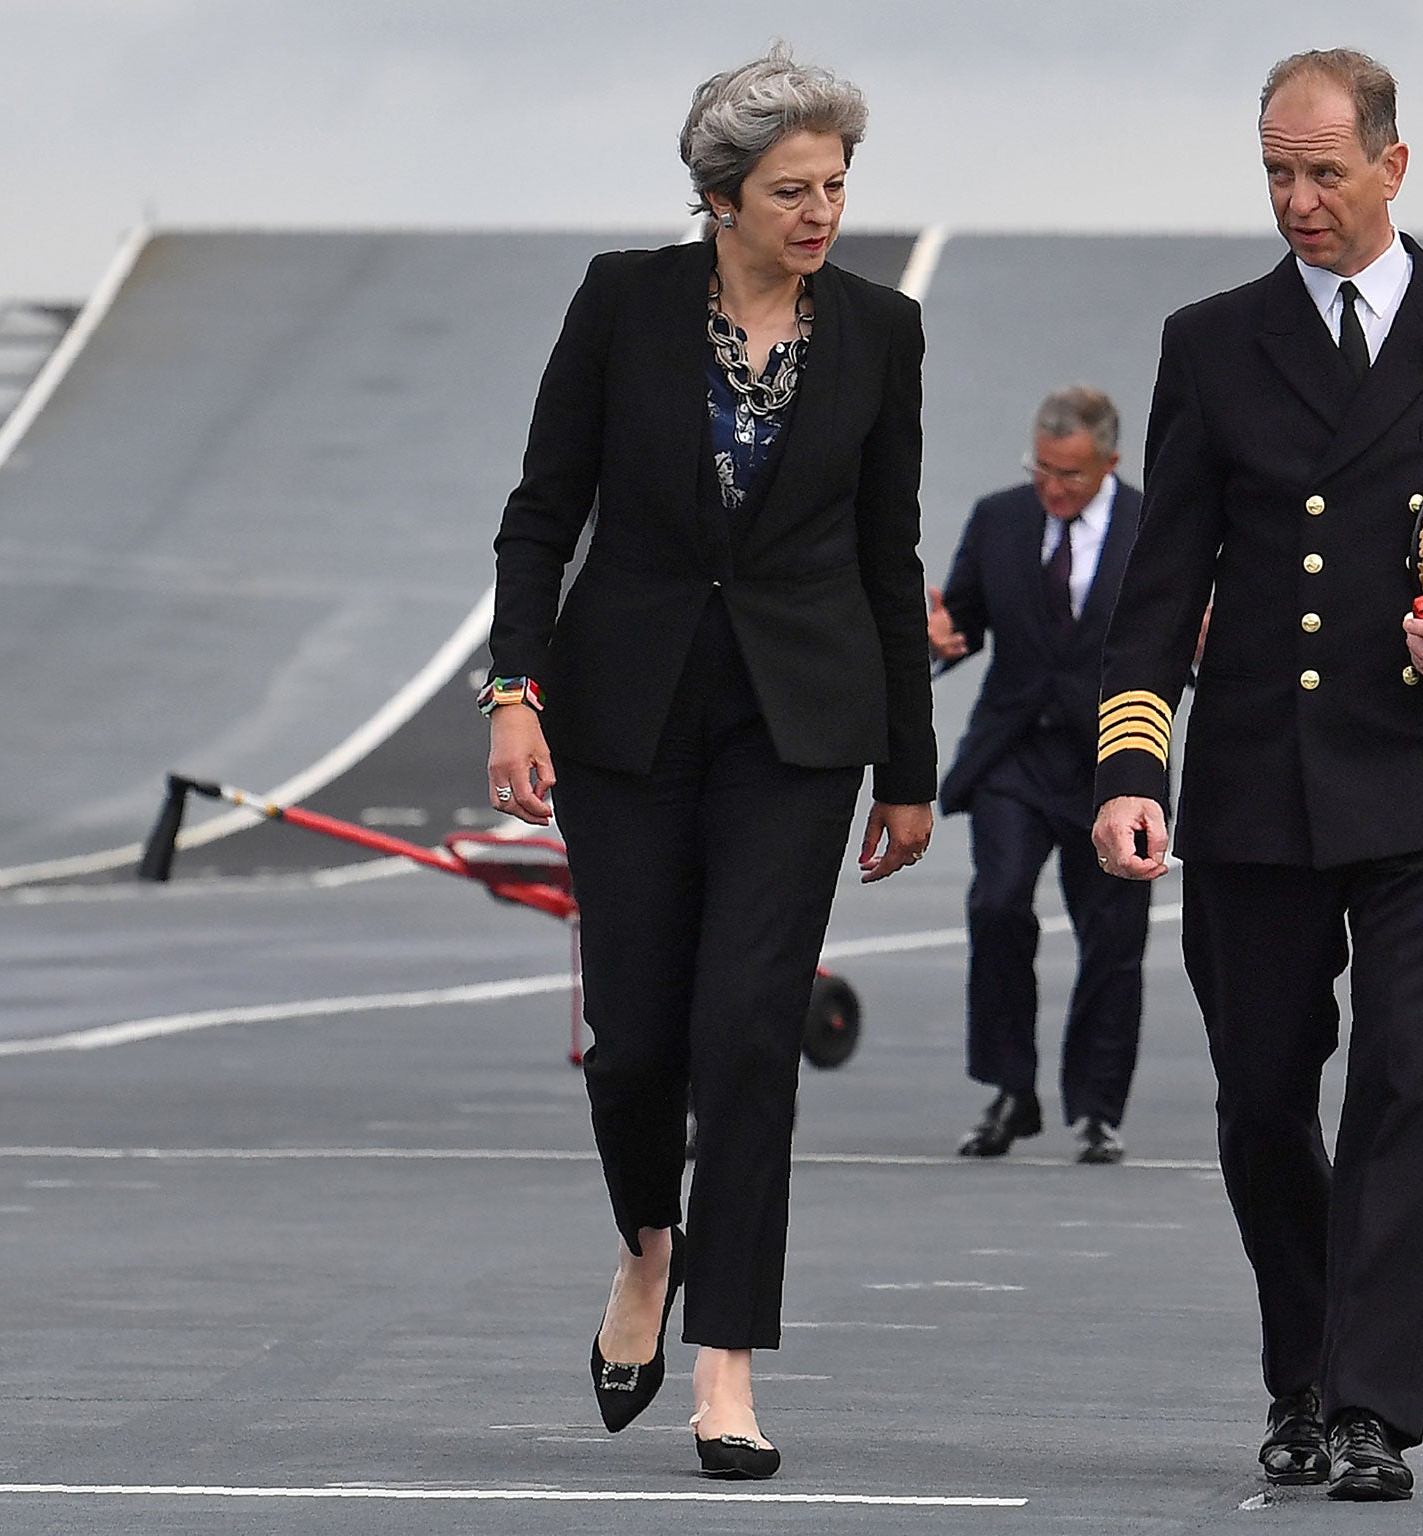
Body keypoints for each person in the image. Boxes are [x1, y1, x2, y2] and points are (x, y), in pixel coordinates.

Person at [1092, 49, 1423, 1502]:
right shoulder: (1212, 342)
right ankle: (1304, 1367)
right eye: (1276, 170)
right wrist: (1133, 762)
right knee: (1263, 1098)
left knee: (1403, 1083)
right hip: (1256, 782)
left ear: (1395, 165)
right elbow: (1160, 584)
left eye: (1324, 170)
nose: (1297, 199)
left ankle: (1373, 1407)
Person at [485, 45, 933, 1481]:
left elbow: (887, 556)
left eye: (837, 185)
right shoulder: (621, 305)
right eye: (793, 190)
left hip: (798, 731)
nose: (823, 212)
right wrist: (515, 690)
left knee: (749, 1031)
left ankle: (728, 1366)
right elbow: (542, 513)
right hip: (627, 717)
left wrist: (910, 769)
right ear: (721, 198)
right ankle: (650, 1249)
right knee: (635, 1040)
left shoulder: (882, 332)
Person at [929, 387, 1152, 1164]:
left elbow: (1178, 639)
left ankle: (1095, 1109)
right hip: (1014, 756)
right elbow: (958, 624)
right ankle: (1009, 1090)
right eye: (1041, 468)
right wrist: (938, 639)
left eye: (1070, 475)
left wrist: (1202, 652)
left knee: (1113, 936)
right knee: (995, 905)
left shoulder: (1151, 527)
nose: (1052, 487)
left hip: (1114, 759)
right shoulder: (1000, 518)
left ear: (1110, 465)